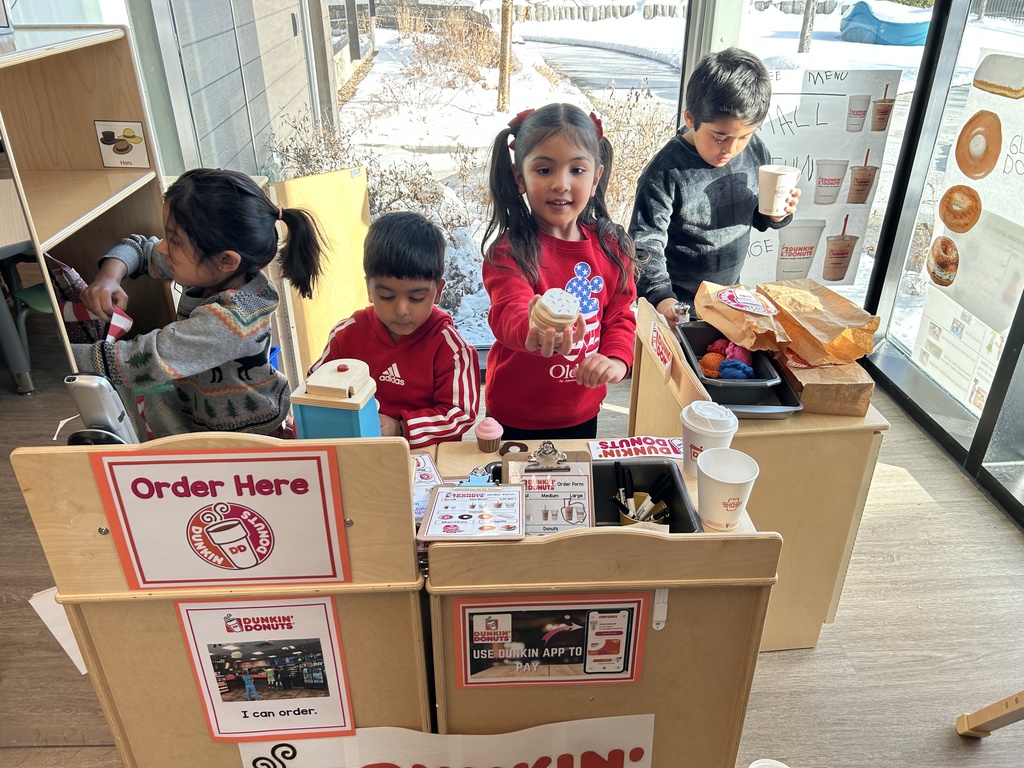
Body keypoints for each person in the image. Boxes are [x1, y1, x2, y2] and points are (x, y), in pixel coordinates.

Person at [74, 168, 326, 438]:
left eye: (174, 241)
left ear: (226, 260)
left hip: (249, 434)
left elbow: (147, 357)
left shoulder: (229, 322)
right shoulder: (211, 269)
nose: (162, 248)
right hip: (206, 415)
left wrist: (65, 357)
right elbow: (141, 248)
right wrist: (108, 278)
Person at [481, 103, 637, 439]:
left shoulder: (612, 248)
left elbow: (621, 316)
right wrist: (534, 329)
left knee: (574, 473)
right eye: (544, 170)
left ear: (596, 178)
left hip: (581, 409)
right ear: (520, 178)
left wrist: (616, 360)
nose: (561, 184)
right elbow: (509, 310)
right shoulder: (509, 252)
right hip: (515, 411)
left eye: (577, 170)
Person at [629, 47, 800, 328]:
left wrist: (775, 214)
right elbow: (645, 245)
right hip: (678, 306)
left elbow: (753, 215)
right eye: (720, 137)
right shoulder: (665, 172)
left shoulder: (755, 151)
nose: (731, 149)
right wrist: (663, 299)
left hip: (731, 298)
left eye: (744, 136)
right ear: (690, 118)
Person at [308, 211, 479, 448]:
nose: (401, 310)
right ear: (369, 290)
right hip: (359, 450)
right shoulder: (346, 335)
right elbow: (314, 391)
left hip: (427, 455)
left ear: (438, 292)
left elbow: (460, 414)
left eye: (417, 298)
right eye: (386, 296)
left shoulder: (450, 347)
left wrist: (400, 427)